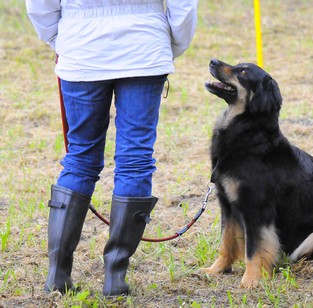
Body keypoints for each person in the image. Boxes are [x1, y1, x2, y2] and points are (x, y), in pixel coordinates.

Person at [26, 0, 198, 297]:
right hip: (144, 45)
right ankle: (115, 277)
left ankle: (57, 274)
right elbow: (183, 6)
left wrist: (67, 37)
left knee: (80, 158)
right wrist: (166, 43)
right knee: (136, 161)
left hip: (82, 47)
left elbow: (39, 7)